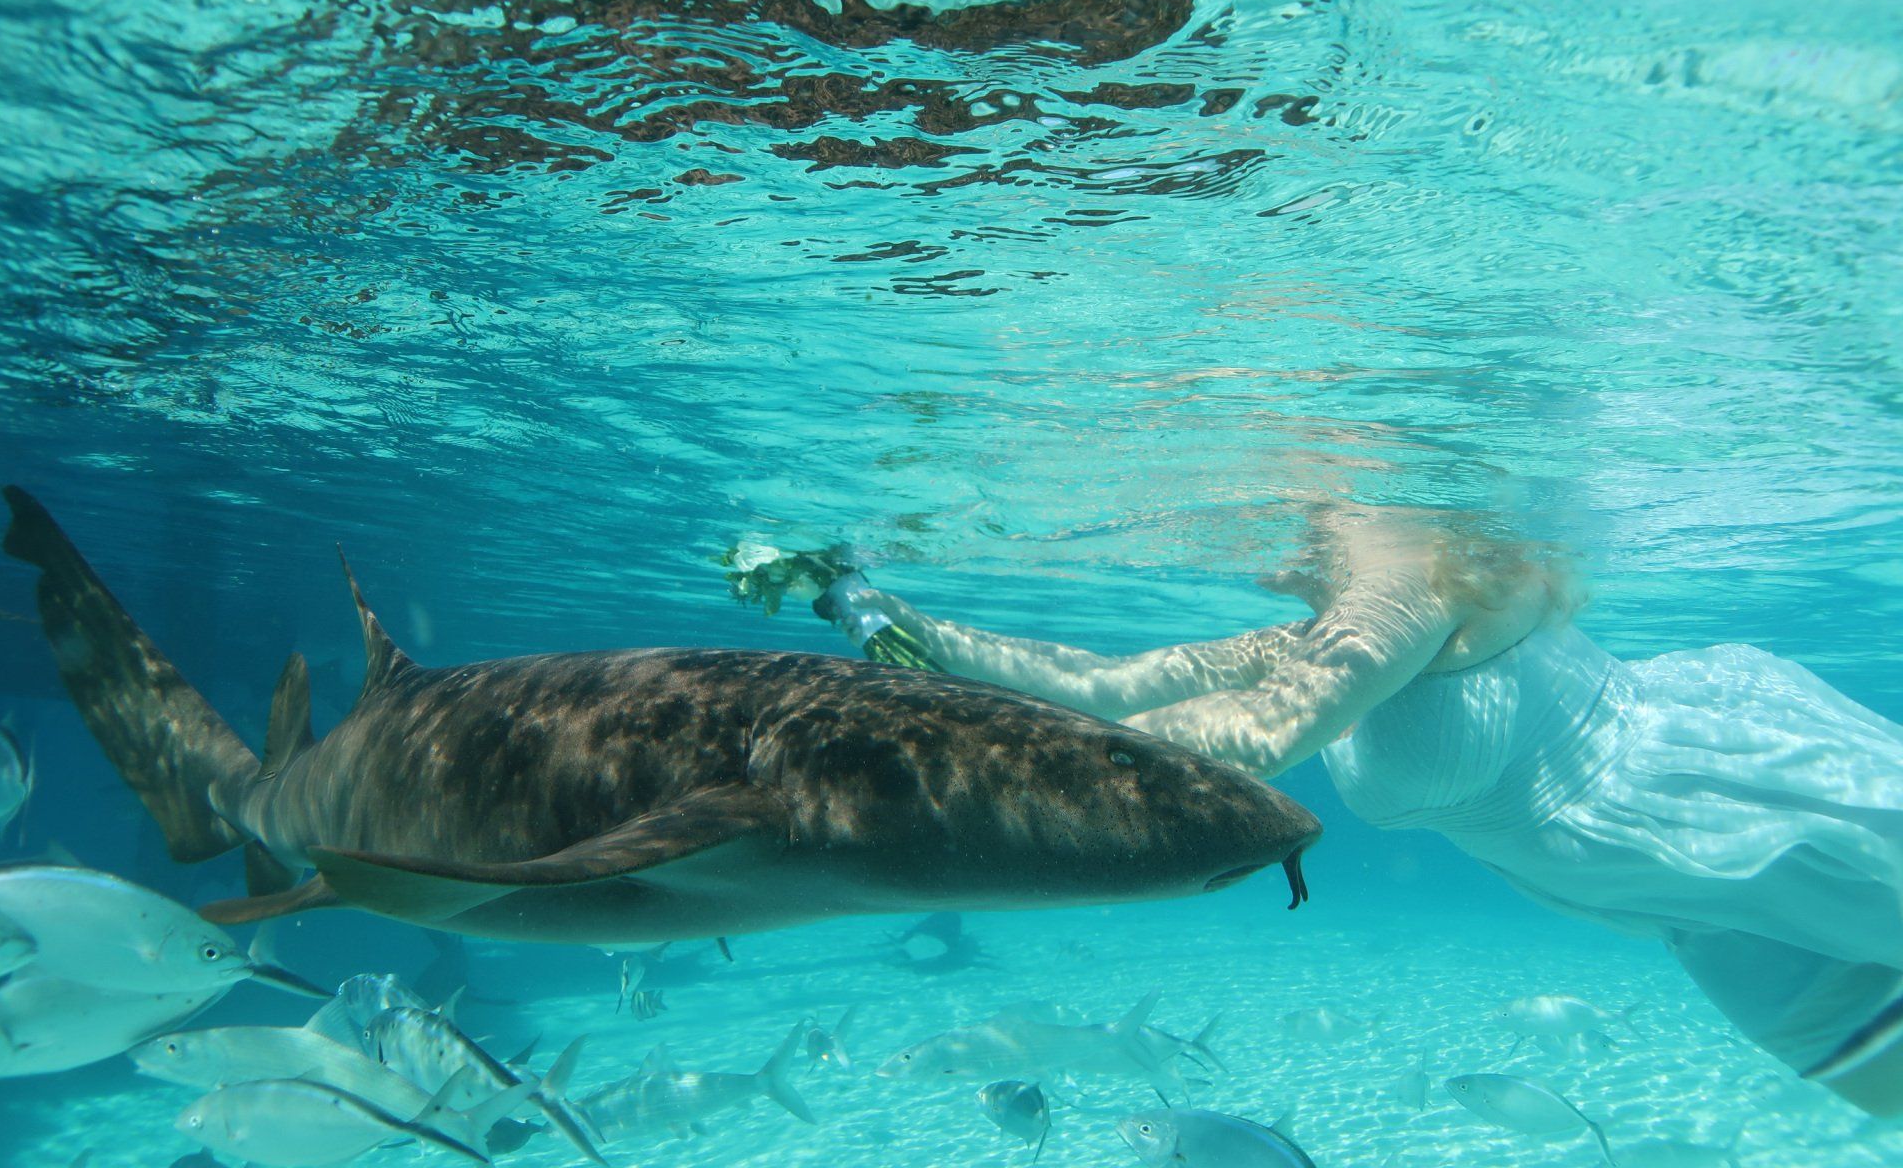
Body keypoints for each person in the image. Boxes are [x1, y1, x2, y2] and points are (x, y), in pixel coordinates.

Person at [764, 516, 1903, 1116]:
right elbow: (1106, 686)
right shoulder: (1323, 632)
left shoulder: (1403, 586)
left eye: (1294, 510)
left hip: (1711, 801)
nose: (1262, 542)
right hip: (1651, 887)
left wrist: (975, 774)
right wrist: (863, 606)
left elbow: (1253, 740)